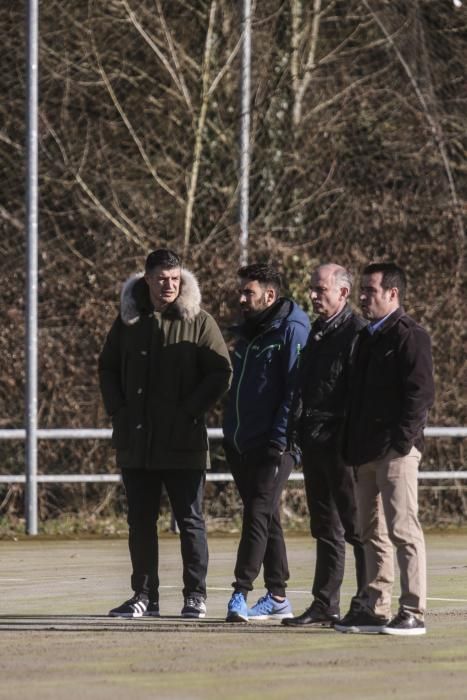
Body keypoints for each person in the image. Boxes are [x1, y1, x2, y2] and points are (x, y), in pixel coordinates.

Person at [98, 248, 232, 619]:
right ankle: (144, 596)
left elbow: (221, 373)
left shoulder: (199, 321)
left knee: (190, 519)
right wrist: (120, 411)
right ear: (147, 279)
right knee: (139, 522)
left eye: (174, 279)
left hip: (183, 442)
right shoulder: (127, 322)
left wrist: (190, 411)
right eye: (161, 279)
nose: (168, 285)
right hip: (136, 442)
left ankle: (195, 595)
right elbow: (107, 368)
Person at [334, 262, 434, 636]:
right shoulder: (365, 338)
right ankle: (376, 608)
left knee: (403, 529)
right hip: (363, 453)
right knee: (370, 532)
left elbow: (421, 394)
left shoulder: (411, 336)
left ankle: (413, 611)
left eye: (370, 290)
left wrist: (400, 442)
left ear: (392, 294)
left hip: (395, 452)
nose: (362, 297)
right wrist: (351, 445)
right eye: (362, 289)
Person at [222, 263, 310, 621]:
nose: (241, 298)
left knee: (257, 513)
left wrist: (280, 439)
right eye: (241, 291)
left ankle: (240, 592)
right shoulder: (248, 332)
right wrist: (231, 432)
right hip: (242, 442)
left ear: (269, 295)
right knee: (267, 516)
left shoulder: (293, 328)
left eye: (249, 292)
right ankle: (277, 596)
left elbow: (295, 389)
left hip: (276, 444)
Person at [282, 263, 367, 628]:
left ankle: (367, 600)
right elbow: (304, 385)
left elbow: (359, 393)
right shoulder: (317, 333)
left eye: (321, 290)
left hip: (342, 445)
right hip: (314, 442)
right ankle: (324, 603)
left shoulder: (358, 334)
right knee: (324, 527)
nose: (314, 296)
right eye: (313, 290)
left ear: (343, 293)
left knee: (356, 527)